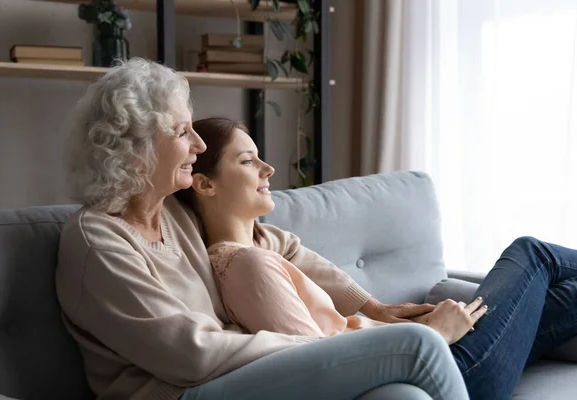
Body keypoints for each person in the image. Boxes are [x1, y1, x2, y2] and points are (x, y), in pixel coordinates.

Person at [56, 59, 468, 400]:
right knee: (420, 343)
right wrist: (320, 347)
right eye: (183, 132)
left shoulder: (175, 215)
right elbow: (191, 355)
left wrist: (371, 307)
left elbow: (274, 246)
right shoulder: (98, 241)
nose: (199, 146)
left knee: (402, 397)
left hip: (231, 378)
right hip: (183, 392)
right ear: (137, 149)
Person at [175, 117, 577, 400]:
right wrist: (436, 333)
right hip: (439, 369)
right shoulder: (246, 265)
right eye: (247, 161)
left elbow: (296, 253)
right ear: (205, 184)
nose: (268, 168)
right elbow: (321, 364)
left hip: (427, 356)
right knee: (532, 253)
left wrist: (379, 309)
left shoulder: (262, 243)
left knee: (567, 295)